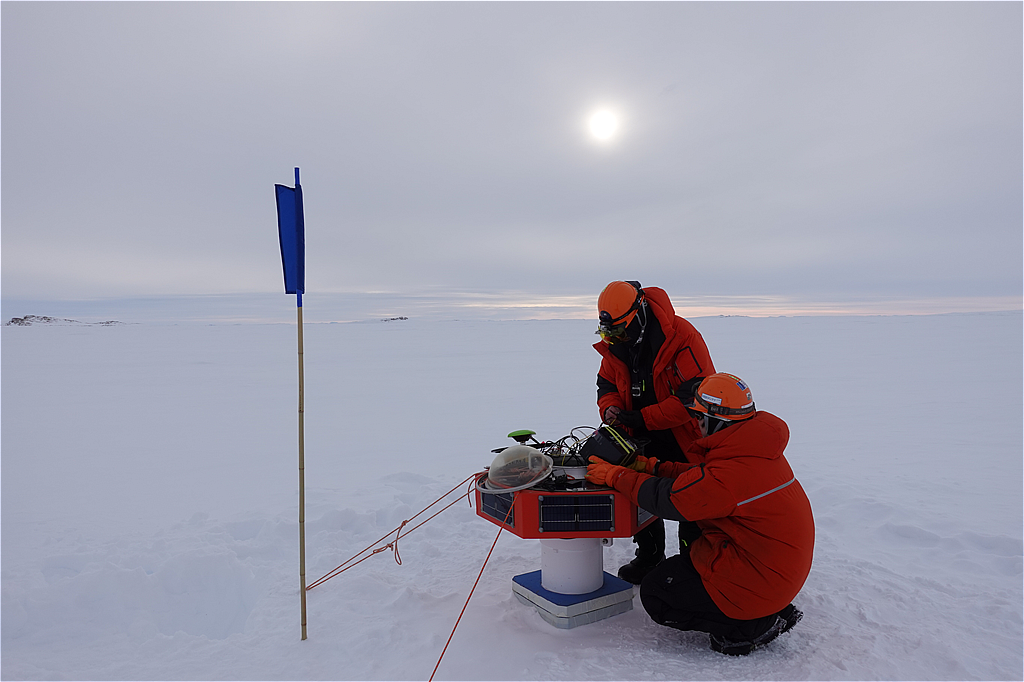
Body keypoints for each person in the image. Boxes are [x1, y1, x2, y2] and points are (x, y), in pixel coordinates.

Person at [585, 372, 815, 655]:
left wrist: (615, 475)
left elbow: (671, 499)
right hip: (770, 572)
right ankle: (761, 607)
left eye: (699, 418)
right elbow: (700, 478)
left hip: (760, 580)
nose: (696, 424)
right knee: (682, 563)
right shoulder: (754, 451)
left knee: (657, 592)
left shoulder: (731, 473)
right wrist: (653, 467)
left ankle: (750, 626)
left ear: (717, 420)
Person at [592, 281, 716, 583]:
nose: (615, 339)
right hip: (636, 431)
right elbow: (606, 384)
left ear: (638, 314)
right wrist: (610, 409)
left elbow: (694, 397)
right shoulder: (617, 342)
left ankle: (693, 565)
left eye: (619, 332)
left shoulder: (681, 337)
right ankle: (649, 556)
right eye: (609, 334)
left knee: (691, 498)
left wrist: (642, 418)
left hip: (683, 435)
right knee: (641, 491)